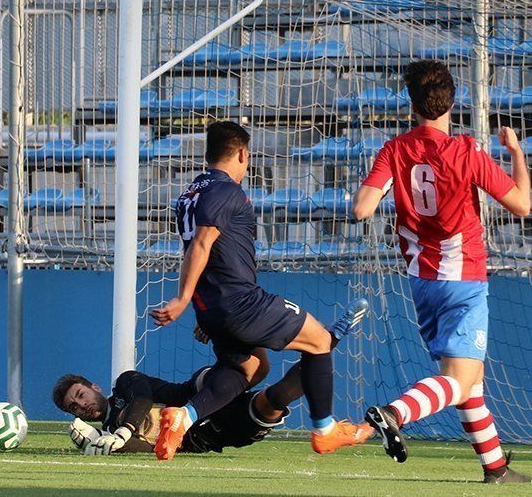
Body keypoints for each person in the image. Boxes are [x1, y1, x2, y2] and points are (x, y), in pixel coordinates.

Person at [353, 60, 532, 484]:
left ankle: (495, 467)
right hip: (464, 279)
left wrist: (386, 187)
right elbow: (522, 204)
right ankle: (395, 413)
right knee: (457, 378)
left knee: (471, 383)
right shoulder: (466, 151)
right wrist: (516, 153)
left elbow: (362, 209)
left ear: (412, 104)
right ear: (453, 102)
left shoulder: (394, 150)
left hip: (422, 281)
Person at [149, 121, 370, 460]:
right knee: (320, 340)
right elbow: (202, 244)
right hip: (240, 301)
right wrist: (181, 300)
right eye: (248, 157)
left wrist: (201, 304)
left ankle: (185, 415)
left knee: (251, 369)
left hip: (215, 305)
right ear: (241, 153)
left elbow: (206, 250)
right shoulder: (225, 190)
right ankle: (325, 430)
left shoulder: (190, 194)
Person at [52, 300, 373, 455]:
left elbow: (143, 398)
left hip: (198, 394)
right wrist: (104, 445)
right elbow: (149, 450)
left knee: (245, 367)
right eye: (74, 407)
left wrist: (123, 431)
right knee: (276, 398)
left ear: (94, 386)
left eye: (80, 395)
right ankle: (327, 341)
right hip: (214, 434)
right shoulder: (106, 436)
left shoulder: (123, 384)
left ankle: (229, 329)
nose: (81, 405)